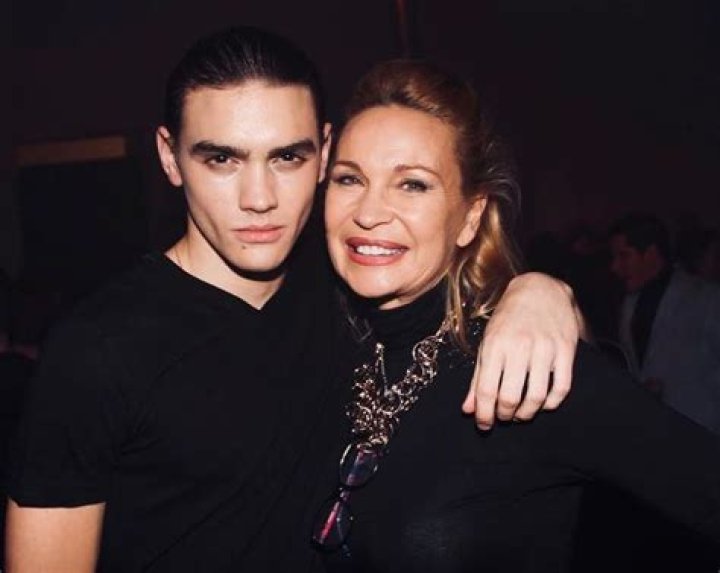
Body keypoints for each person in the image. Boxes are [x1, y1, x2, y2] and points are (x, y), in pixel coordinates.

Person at [4, 28, 582, 572]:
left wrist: (540, 292)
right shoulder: (96, 350)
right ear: (169, 156)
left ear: (325, 152)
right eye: (221, 158)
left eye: (287, 157)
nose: (259, 198)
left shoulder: (346, 285)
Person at [312, 60, 720, 572]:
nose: (369, 213)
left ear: (471, 217)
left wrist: (548, 291)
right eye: (350, 178)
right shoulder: (323, 350)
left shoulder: (527, 368)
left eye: (412, 184)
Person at [610, 212, 720, 433]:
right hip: (655, 431)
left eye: (624, 256)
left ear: (651, 254)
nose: (615, 266)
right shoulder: (629, 301)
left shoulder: (707, 298)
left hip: (703, 430)